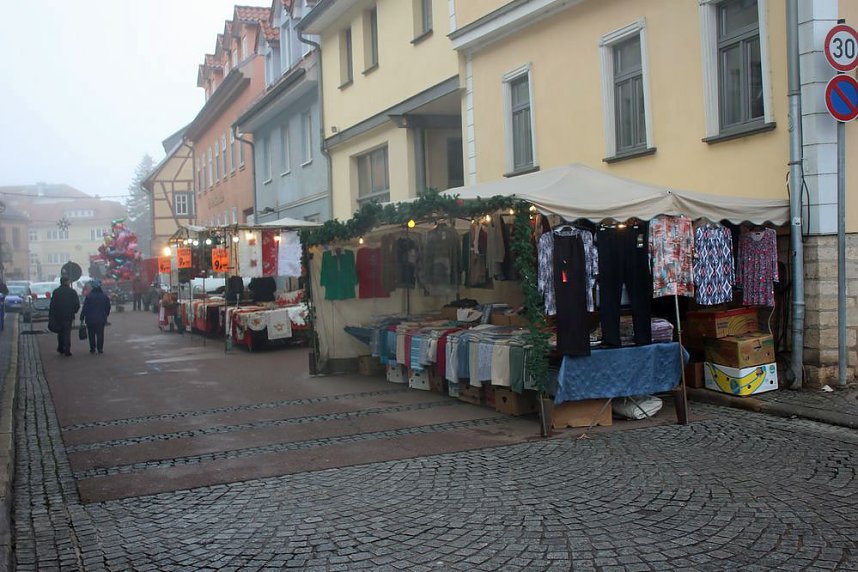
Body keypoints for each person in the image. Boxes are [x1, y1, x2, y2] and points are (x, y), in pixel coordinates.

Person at [49, 277, 80, 357]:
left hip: (58, 316)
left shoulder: (56, 292)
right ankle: (67, 349)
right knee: (67, 333)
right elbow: (77, 304)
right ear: (67, 282)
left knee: (60, 332)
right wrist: (73, 311)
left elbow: (52, 305)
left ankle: (61, 347)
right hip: (68, 316)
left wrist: (52, 315)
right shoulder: (72, 292)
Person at [80, 279, 111, 354]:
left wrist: (82, 317)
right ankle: (100, 349)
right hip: (101, 318)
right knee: (100, 334)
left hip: (90, 319)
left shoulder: (89, 297)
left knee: (91, 334)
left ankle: (92, 348)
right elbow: (108, 307)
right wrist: (105, 314)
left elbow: (85, 308)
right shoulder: (104, 296)